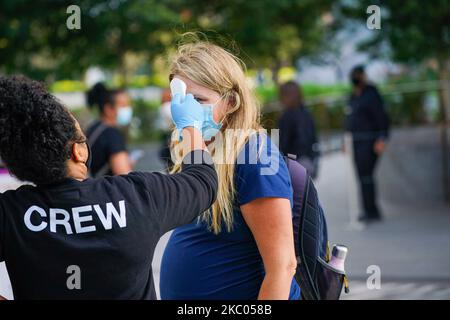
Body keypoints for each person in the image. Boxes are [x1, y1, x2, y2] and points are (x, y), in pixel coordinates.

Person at [0, 75, 217, 299]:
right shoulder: (137, 195)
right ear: (79, 151)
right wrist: (190, 126)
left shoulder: (11, 214)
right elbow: (203, 180)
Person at [160, 41, 299, 300]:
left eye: (198, 100)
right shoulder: (198, 151)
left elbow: (283, 267)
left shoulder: (256, 155)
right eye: (181, 101)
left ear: (231, 101)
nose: (186, 112)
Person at [345, 65, 390, 222]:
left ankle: (372, 210)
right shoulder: (353, 96)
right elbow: (349, 120)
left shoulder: (371, 93)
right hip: (356, 141)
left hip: (369, 141)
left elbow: (381, 116)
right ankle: (368, 209)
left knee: (366, 175)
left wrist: (382, 138)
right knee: (361, 176)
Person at [85, 83, 134, 177]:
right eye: (123, 105)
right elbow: (123, 175)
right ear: (108, 109)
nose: (128, 109)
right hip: (108, 190)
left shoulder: (94, 128)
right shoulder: (112, 135)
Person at [278, 80, 320, 179]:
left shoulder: (286, 117)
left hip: (294, 163)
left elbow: (284, 143)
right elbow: (313, 138)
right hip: (308, 161)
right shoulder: (306, 113)